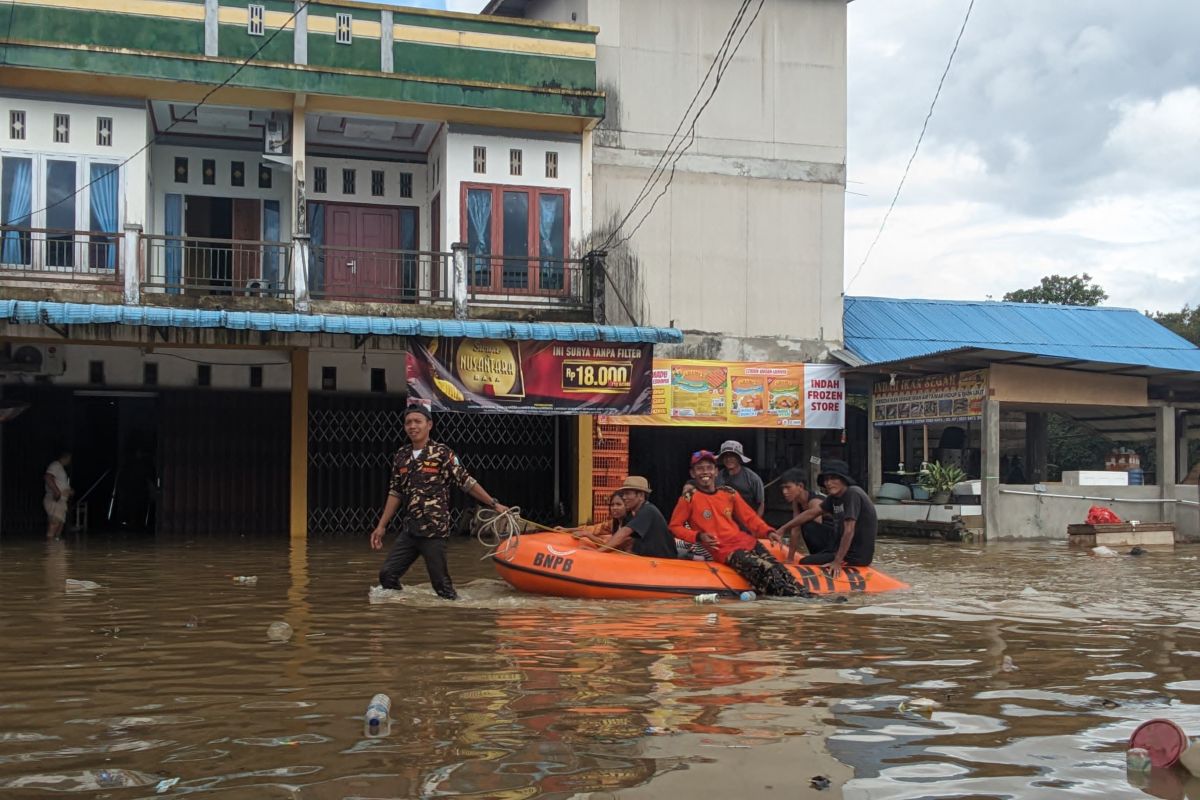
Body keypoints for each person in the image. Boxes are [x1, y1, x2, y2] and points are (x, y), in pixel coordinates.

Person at [369, 405, 508, 600]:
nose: (412, 426)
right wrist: (381, 526)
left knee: (442, 588)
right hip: (410, 530)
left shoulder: (442, 453)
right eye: (408, 422)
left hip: (434, 531)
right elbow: (395, 492)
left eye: (418, 421)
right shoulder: (401, 455)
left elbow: (466, 482)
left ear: (429, 425)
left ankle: (452, 616)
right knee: (387, 576)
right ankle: (404, 614)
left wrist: (494, 504)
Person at [669, 450, 809, 597]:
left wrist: (768, 532)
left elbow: (749, 518)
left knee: (780, 570)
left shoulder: (729, 493)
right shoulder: (688, 498)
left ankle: (807, 598)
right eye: (700, 468)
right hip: (725, 550)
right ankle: (800, 601)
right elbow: (674, 527)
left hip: (746, 542)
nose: (705, 472)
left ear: (716, 471)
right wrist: (698, 536)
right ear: (692, 473)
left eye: (709, 468)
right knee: (766, 570)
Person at [795, 459, 876, 578]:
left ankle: (829, 560)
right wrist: (781, 529)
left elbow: (849, 530)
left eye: (833, 478)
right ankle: (824, 557)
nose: (828, 483)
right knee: (809, 525)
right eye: (826, 479)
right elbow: (811, 513)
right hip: (837, 548)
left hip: (855, 556)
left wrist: (837, 562)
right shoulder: (834, 497)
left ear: (843, 480)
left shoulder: (852, 494)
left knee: (804, 562)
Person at [769, 468, 838, 563]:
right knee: (802, 523)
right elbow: (795, 530)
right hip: (823, 541)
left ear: (800, 486)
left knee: (807, 524)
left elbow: (816, 529)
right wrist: (790, 558)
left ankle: (823, 557)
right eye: (783, 488)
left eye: (788, 487)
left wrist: (783, 528)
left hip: (833, 542)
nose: (784, 492)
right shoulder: (797, 502)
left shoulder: (814, 501)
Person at [600, 476, 678, 559]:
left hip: (662, 563)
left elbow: (624, 533)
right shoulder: (637, 513)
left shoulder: (648, 510)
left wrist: (598, 552)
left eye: (628, 493)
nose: (624, 497)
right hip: (650, 561)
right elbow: (625, 542)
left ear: (641, 495)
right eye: (623, 494)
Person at [716, 440, 765, 516]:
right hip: (725, 519)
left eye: (732, 456)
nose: (729, 459)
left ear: (739, 458)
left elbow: (760, 504)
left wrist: (756, 525)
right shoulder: (717, 476)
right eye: (726, 456)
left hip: (746, 520)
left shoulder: (752, 478)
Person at [43, 449, 73, 539]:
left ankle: (56, 549)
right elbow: (48, 477)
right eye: (69, 459)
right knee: (54, 524)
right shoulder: (55, 465)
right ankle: (50, 549)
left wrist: (69, 491)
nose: (70, 461)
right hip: (56, 500)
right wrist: (57, 492)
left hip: (61, 501)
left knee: (58, 528)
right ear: (65, 458)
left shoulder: (61, 468)